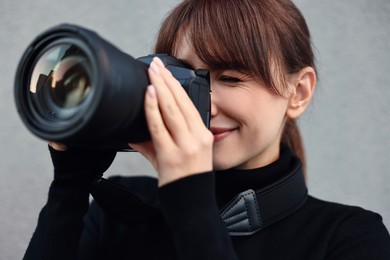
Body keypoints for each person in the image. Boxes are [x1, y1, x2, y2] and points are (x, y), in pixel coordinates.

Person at [23, 0, 390, 259]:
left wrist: (192, 205)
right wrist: (69, 188)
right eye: (185, 80)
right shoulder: (118, 211)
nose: (204, 106)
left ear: (298, 92)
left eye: (230, 78)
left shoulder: (349, 237)